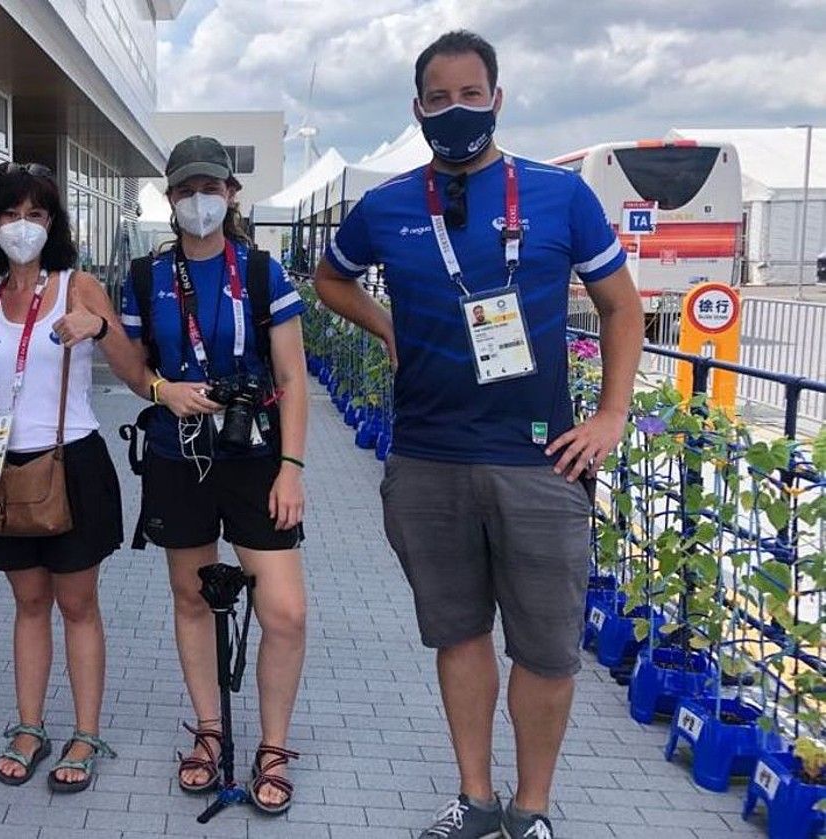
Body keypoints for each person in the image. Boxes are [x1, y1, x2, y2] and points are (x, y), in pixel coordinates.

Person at [314, 30, 643, 839]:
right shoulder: (387, 205)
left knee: (546, 649)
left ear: (497, 99)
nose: (454, 110)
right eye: (438, 98)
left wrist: (609, 416)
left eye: (470, 95)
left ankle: (531, 810)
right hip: (428, 460)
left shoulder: (560, 197)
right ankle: (476, 796)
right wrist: (384, 324)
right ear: (417, 107)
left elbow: (622, 307)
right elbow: (329, 276)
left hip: (540, 461)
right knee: (458, 634)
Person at [120, 136, 309, 814]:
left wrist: (291, 466)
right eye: (184, 189)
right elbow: (130, 362)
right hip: (179, 455)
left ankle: (274, 744)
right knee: (192, 597)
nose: (198, 200)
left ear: (231, 194)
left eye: (211, 188)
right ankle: (209, 729)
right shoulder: (145, 276)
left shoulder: (262, 272)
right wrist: (159, 391)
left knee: (284, 610)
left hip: (257, 458)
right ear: (169, 198)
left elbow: (291, 377)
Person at [0, 162, 143, 793]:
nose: (23, 226)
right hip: (9, 469)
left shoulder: (79, 285)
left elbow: (130, 366)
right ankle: (30, 725)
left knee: (77, 603)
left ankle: (86, 732)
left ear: (53, 223)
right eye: (11, 214)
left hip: (73, 464)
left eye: (37, 215)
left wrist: (98, 326)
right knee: (28, 602)